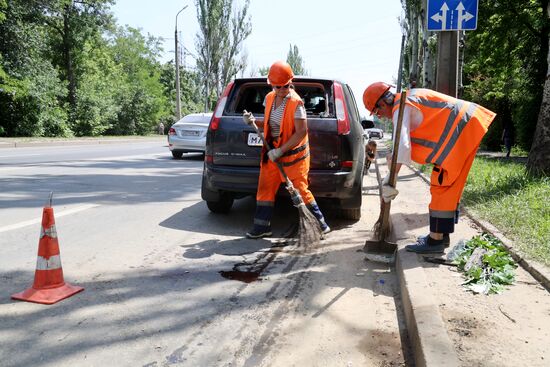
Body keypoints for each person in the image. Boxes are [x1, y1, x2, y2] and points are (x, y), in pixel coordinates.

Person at [363, 82, 496, 253]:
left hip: (463, 131)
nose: (380, 117)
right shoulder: (407, 100)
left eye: (377, 112)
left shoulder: (401, 107)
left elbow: (402, 146)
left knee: (442, 185)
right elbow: (404, 146)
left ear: (383, 102)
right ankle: (441, 235)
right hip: (467, 127)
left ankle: (435, 242)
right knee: (448, 187)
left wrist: (390, 178)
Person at [242, 61, 330, 239]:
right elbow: (270, 122)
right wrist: (253, 121)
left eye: (286, 86)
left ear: (291, 82)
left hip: (293, 156)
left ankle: (320, 225)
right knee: (265, 187)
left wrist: (281, 150)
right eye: (277, 86)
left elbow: (301, 132)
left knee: (300, 190)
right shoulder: (269, 98)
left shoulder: (296, 103)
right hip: (272, 153)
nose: (282, 89)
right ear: (272, 85)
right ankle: (261, 227)